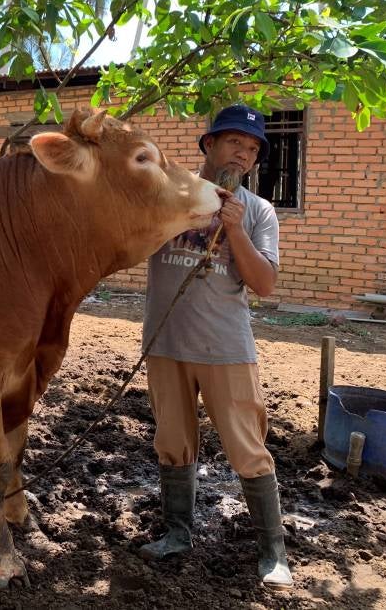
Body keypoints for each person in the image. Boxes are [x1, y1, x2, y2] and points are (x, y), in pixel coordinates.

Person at [139, 103, 292, 588]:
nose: (243, 155)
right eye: (234, 143)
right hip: (165, 343)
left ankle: (273, 552)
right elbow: (134, 239)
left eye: (252, 150)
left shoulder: (260, 211)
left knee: (247, 447)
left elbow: (264, 284)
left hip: (226, 347)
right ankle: (177, 534)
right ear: (208, 144)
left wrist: (236, 228)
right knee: (173, 441)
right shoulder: (169, 195)